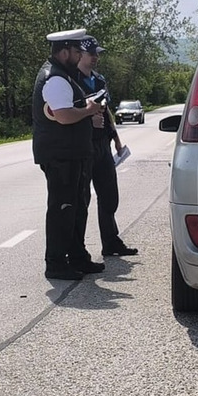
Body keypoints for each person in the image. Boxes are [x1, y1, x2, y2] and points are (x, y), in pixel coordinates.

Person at [32, 29, 108, 281]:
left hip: (72, 154)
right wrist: (88, 111)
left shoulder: (65, 75)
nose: (79, 57)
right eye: (76, 52)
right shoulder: (54, 78)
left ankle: (77, 256)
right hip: (60, 155)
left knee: (76, 208)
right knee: (62, 209)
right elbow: (64, 116)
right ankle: (55, 262)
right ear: (63, 51)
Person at [76, 36, 138, 257]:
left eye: (97, 54)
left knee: (109, 195)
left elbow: (105, 110)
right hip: (83, 145)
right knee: (82, 199)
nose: (95, 58)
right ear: (79, 54)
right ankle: (77, 249)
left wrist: (116, 138)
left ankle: (111, 242)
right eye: (91, 53)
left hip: (103, 144)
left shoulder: (99, 80)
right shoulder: (71, 80)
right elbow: (65, 114)